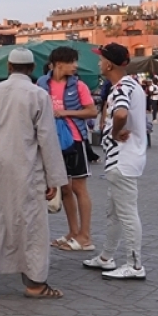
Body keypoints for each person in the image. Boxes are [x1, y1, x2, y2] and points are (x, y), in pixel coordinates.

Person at [0, 47, 69, 300]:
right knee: (31, 224)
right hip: (25, 167)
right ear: (33, 69)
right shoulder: (38, 95)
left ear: (9, 67)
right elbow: (47, 138)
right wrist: (54, 178)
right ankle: (35, 284)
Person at [85, 43, 148, 280]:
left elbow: (121, 114)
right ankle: (106, 257)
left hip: (122, 158)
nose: (99, 63)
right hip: (127, 158)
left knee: (127, 212)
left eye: (101, 59)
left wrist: (113, 133)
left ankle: (134, 264)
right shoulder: (133, 85)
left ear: (109, 63)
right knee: (115, 212)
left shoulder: (120, 88)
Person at [37, 47, 96, 252]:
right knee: (65, 188)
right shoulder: (42, 84)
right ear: (59, 63)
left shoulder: (79, 86)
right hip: (52, 142)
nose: (76, 66)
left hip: (75, 140)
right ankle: (73, 232)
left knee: (80, 188)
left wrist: (65, 113)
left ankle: (85, 236)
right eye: (73, 62)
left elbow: (91, 111)